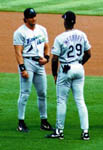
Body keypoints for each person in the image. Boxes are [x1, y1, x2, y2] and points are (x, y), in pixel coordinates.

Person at [46, 11, 91, 140]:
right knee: (80, 101)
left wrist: (55, 75)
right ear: (74, 22)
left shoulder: (60, 38)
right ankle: (85, 132)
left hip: (66, 70)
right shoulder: (82, 35)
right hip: (79, 68)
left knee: (61, 101)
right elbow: (88, 53)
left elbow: (54, 59)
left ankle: (59, 131)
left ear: (65, 22)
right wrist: (80, 63)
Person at [13, 8, 53, 132]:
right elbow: (18, 52)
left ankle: (44, 121)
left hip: (40, 64)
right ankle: (21, 122)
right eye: (31, 17)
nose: (33, 19)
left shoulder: (42, 30)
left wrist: (46, 58)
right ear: (25, 18)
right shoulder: (19, 32)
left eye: (34, 16)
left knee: (43, 93)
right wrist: (22, 68)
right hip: (28, 62)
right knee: (25, 93)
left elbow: (46, 46)